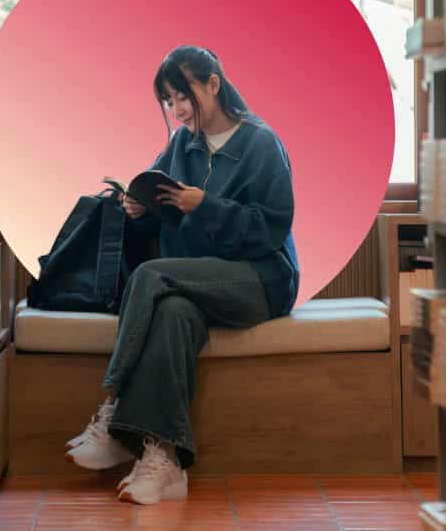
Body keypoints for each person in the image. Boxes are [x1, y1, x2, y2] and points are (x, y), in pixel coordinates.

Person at [64, 45, 299, 505]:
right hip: (197, 282)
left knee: (151, 278)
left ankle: (113, 412)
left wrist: (205, 206)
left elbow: (270, 228)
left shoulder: (260, 142)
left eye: (183, 95)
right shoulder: (181, 145)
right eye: (169, 100)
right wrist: (140, 211)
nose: (177, 109)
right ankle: (165, 461)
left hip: (260, 279)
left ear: (214, 84)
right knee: (171, 312)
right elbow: (166, 218)